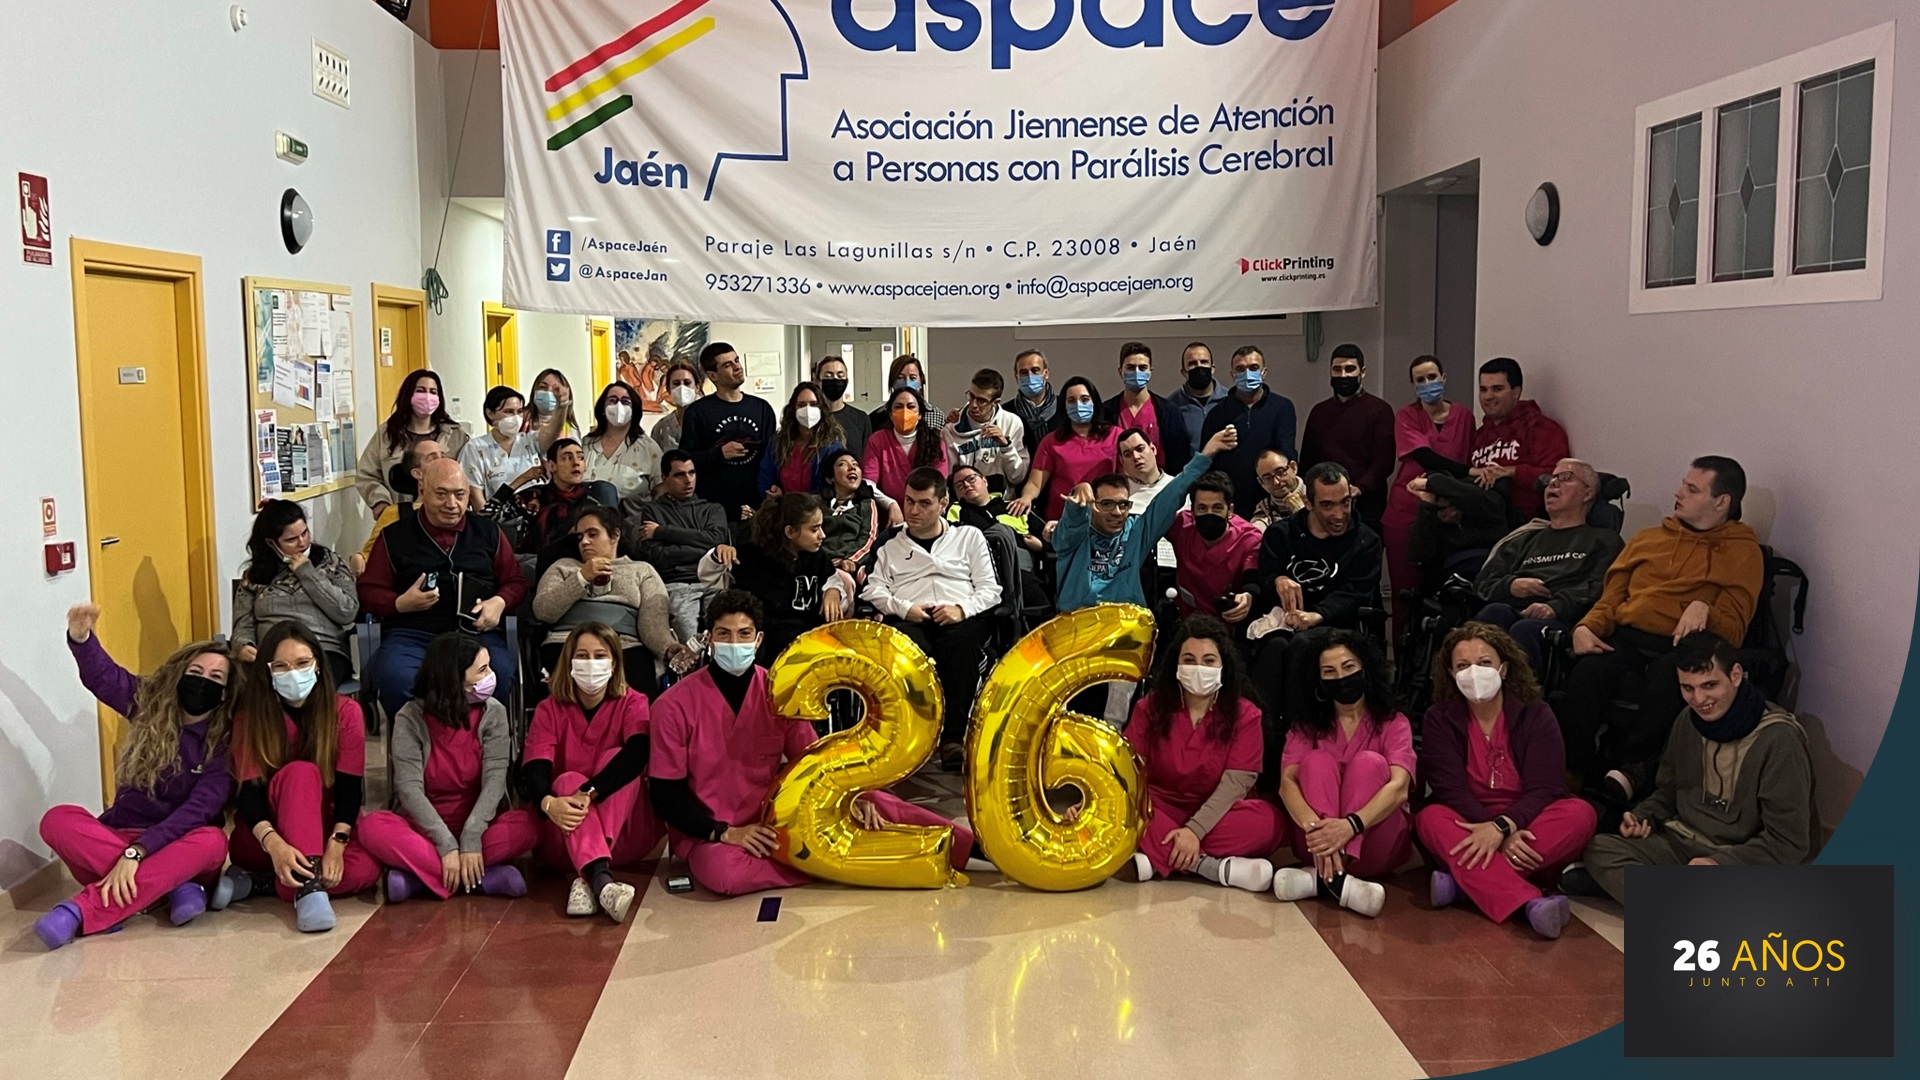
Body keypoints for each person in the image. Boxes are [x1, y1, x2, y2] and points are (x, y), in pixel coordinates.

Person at [648, 591, 974, 896]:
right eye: (724, 634)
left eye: (744, 634)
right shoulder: (672, 706)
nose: (734, 643)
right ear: (709, 639)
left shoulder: (779, 690)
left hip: (781, 819)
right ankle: (844, 864)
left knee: (874, 802)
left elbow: (812, 757)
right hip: (712, 835)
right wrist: (725, 832)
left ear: (758, 640)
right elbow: (665, 794)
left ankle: (972, 847)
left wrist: (853, 797)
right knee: (723, 874)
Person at [1561, 457, 1765, 802]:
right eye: (1683, 484)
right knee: (1589, 671)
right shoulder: (1648, 538)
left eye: (1692, 489)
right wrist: (1585, 627)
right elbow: (1611, 599)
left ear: (1722, 502)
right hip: (1629, 633)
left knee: (1670, 675)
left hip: (1684, 644)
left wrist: (1705, 610)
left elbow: (1734, 630)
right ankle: (1572, 772)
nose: (1678, 493)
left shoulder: (1742, 551)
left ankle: (1635, 769)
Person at [34, 606, 234, 949]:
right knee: (58, 819)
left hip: (181, 842)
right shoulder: (150, 704)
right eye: (195, 671)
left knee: (213, 841)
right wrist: (82, 639)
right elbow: (105, 678)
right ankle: (171, 887)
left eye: (216, 678)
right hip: (121, 834)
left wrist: (137, 854)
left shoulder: (226, 742)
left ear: (226, 693)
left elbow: (199, 810)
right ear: (180, 675)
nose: (203, 681)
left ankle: (79, 912)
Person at [1572, 632, 1815, 904]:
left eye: (1709, 685)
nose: (1699, 699)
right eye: (1688, 688)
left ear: (1736, 675)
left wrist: (1720, 862)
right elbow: (1668, 792)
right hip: (1679, 845)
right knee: (1599, 849)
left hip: (1736, 858)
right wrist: (1643, 816)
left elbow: (1788, 843)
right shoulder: (1687, 720)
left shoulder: (1780, 739)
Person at [1417, 623, 1596, 938]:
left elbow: (1546, 788)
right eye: (1463, 665)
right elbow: (1449, 791)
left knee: (1581, 814)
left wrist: (1503, 828)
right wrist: (1492, 830)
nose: (1474, 672)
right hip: (1469, 820)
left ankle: (1464, 884)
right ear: (1451, 673)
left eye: (1484, 662)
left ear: (1504, 668)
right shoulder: (1438, 718)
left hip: (1529, 819)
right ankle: (1529, 903)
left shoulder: (1537, 714)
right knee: (1430, 818)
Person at [356, 633, 539, 902]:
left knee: (530, 824)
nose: (492, 676)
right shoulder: (409, 717)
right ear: (455, 680)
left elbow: (495, 781)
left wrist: (471, 838)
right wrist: (446, 844)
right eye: (482, 670)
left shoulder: (494, 713)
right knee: (371, 827)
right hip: (424, 829)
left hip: (480, 826)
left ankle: (419, 880)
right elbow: (409, 790)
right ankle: (480, 879)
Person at [220, 622, 376, 933]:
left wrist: (336, 845)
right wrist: (276, 846)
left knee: (368, 870)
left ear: (318, 664)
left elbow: (349, 790)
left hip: (323, 828)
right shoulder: (249, 718)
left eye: (303, 662)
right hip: (264, 837)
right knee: (301, 772)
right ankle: (308, 891)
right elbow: (249, 795)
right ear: (268, 671)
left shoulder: (345, 712)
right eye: (281, 666)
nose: (293, 673)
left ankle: (262, 883)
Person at [1116, 616, 1286, 891]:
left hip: (1220, 811)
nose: (1198, 668)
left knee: (1270, 824)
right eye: (1189, 660)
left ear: (1223, 666)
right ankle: (1210, 868)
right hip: (1158, 807)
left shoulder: (1245, 714)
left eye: (1208, 661)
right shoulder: (1150, 707)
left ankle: (1158, 857)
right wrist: (1093, 799)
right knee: (1121, 808)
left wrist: (1194, 830)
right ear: (1176, 665)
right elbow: (1126, 768)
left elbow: (1235, 785)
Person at [358, 458, 525, 718]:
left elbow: (515, 582)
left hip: (475, 634)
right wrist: (399, 603)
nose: (452, 504)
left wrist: (499, 602)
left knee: (500, 672)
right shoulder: (393, 536)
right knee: (395, 678)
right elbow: (368, 591)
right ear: (422, 491)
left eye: (460, 495)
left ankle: (480, 738)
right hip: (413, 634)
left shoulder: (489, 532)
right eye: (441, 494)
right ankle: (416, 739)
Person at [519, 623, 663, 922]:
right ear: (569, 662)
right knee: (567, 781)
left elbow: (637, 755)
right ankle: (601, 881)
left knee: (613, 759)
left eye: (600, 655)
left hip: (625, 836)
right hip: (562, 831)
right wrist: (548, 803)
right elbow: (535, 766)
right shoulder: (549, 709)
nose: (591, 663)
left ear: (614, 663)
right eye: (582, 656)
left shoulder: (633, 702)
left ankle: (589, 876)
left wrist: (590, 792)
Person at [863, 468, 1002, 769]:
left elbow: (991, 590)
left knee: (962, 644)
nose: (914, 510)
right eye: (909, 501)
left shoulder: (969, 537)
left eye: (924, 503)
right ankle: (911, 739)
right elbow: (872, 590)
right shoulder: (890, 545)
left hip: (960, 616)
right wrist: (904, 608)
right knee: (905, 648)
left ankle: (953, 738)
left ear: (943, 503)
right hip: (911, 616)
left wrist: (961, 609)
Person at [1272, 631, 1414, 917]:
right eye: (1329, 671)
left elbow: (1399, 787)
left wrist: (1350, 826)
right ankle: (1339, 881)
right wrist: (1320, 832)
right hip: (1315, 843)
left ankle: (1320, 880)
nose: (1341, 677)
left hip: (1375, 841)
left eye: (1348, 667)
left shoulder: (1394, 722)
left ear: (1365, 668)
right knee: (1315, 762)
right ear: (1318, 680)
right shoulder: (1304, 727)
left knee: (1369, 763)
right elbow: (1287, 785)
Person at [1246, 462, 1384, 721]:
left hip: (1336, 624)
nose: (1340, 514)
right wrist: (1277, 580)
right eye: (1327, 505)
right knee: (1273, 648)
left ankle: (1301, 730)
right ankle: (1264, 732)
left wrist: (1316, 615)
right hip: (1284, 622)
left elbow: (1356, 593)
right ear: (1308, 503)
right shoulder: (1281, 534)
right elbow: (1263, 579)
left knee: (1304, 645)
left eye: (1345, 502)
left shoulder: (1366, 540)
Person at [1055, 427, 1237, 612]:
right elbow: (1072, 523)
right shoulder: (1074, 536)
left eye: (1123, 505)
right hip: (1078, 619)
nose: (1117, 512)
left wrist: (1206, 454)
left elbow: (1172, 494)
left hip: (1127, 620)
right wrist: (1078, 496)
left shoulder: (1135, 531)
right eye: (1107, 504)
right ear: (1093, 505)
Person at [1473, 459, 1626, 670]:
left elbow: (1599, 587)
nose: (1552, 483)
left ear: (1588, 493)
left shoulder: (1605, 540)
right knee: (1493, 613)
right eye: (1550, 479)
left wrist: (1554, 607)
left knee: (1525, 630)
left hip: (1562, 617)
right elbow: (1483, 584)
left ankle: (1519, 690)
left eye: (1565, 478)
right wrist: (1510, 585)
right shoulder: (1523, 539)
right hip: (1513, 607)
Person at [534, 505, 694, 696]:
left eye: (592, 534)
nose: (584, 542)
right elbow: (543, 611)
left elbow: (653, 623)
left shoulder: (642, 571)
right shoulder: (562, 567)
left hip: (624, 645)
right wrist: (581, 578)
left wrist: (667, 648)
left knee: (639, 684)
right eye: (580, 537)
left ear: (615, 535)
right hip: (567, 643)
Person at [700, 492, 851, 666]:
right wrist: (717, 555)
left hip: (807, 647)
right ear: (790, 532)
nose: (822, 535)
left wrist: (833, 591)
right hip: (761, 650)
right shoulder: (749, 556)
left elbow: (832, 578)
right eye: (814, 529)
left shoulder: (817, 558)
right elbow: (708, 577)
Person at [1382, 355, 1473, 632]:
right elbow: (1425, 457)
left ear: (1443, 378)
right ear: (1413, 385)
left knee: (1449, 592)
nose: (1427, 383)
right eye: (1420, 380)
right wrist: (1469, 472)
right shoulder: (1406, 416)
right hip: (1406, 514)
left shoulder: (1464, 417)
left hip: (1449, 513)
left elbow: (1469, 456)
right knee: (1406, 593)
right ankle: (1403, 654)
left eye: (1432, 377)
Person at [233, 500, 359, 685]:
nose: (302, 543)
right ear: (271, 543)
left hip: (323, 649)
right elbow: (243, 623)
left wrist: (307, 573)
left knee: (308, 683)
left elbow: (347, 612)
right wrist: (243, 644)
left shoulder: (329, 562)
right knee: (258, 685)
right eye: (291, 539)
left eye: (305, 533)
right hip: (272, 653)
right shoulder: (254, 576)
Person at [636, 451, 731, 644]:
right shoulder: (653, 510)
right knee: (687, 636)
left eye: (691, 473)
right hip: (678, 583)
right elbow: (658, 556)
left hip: (714, 581)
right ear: (664, 478)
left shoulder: (712, 509)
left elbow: (717, 538)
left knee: (724, 630)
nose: (688, 480)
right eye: (679, 475)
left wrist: (663, 531)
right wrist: (705, 549)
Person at [1300, 343, 1396, 531]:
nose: (1343, 375)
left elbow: (1383, 463)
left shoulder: (1380, 410)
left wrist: (1359, 488)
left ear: (1363, 372)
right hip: (1324, 504)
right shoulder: (1319, 412)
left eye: (1350, 369)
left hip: (1366, 505)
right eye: (1337, 369)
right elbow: (1308, 461)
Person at [680, 342, 778, 520]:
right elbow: (686, 459)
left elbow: (772, 456)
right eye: (727, 365)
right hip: (715, 508)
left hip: (758, 506)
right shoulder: (697, 412)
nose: (737, 367)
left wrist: (774, 488)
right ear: (713, 375)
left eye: (736, 360)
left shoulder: (762, 409)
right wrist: (718, 453)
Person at [1468, 357, 1570, 525]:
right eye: (1483, 390)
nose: (1488, 396)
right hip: (1477, 515)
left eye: (1497, 389)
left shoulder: (1541, 428)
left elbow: (1557, 478)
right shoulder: (1478, 436)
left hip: (1520, 521)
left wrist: (1511, 472)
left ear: (1516, 392)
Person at [1199, 346, 1298, 517]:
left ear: (1263, 372)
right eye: (1240, 369)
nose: (1247, 374)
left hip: (1273, 502)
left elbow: (1286, 453)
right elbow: (1208, 463)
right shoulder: (1217, 413)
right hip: (1231, 504)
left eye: (1253, 368)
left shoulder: (1282, 408)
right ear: (1232, 374)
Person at [355, 370, 469, 518]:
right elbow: (366, 474)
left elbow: (469, 476)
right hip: (400, 516)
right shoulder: (387, 433)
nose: (427, 397)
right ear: (408, 394)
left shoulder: (455, 435)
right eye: (421, 390)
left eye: (433, 392)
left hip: (445, 515)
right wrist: (381, 504)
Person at [1013, 376, 1119, 523]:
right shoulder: (1051, 441)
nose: (1078, 405)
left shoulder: (1116, 436)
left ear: (1094, 402)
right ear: (1064, 406)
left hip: (1105, 518)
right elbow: (1035, 483)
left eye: (1085, 399)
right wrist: (1026, 498)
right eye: (1071, 401)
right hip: (1061, 520)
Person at [1166, 473, 1261, 625]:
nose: (1209, 514)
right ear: (1192, 511)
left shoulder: (1249, 539)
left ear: (1230, 510)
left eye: (1217, 508)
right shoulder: (1181, 525)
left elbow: (1253, 576)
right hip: (1185, 619)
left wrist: (1249, 596)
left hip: (1228, 623)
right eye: (1202, 508)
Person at [1099, 342, 1193, 472]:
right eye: (1130, 368)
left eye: (1142, 368)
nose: (1136, 372)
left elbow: (1179, 456)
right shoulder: (1105, 412)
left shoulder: (1169, 411)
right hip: (1120, 483)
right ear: (1121, 372)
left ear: (1150, 372)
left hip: (1161, 482)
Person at [359, 438, 445, 565]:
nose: (442, 462)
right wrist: (359, 560)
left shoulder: (458, 512)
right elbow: (369, 557)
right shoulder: (394, 514)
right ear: (417, 473)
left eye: (443, 456)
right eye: (432, 458)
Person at [457, 386, 545, 508]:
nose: (516, 417)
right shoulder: (475, 448)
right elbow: (476, 498)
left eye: (519, 411)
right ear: (490, 413)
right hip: (496, 516)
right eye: (509, 412)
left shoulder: (528, 441)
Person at [942, 368, 1028, 492]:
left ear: (995, 402)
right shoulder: (951, 427)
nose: (973, 405)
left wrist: (1006, 446)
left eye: (981, 401)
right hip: (964, 499)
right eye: (971, 396)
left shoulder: (1011, 423)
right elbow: (949, 480)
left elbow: (1017, 477)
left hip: (1001, 500)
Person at [760, 381, 845, 497]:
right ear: (793, 409)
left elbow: (834, 486)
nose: (807, 410)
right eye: (801, 405)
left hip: (818, 507)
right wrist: (773, 493)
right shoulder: (779, 442)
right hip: (784, 505)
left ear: (822, 408)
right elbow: (765, 476)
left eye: (813, 404)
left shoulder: (832, 446)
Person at [861, 386, 946, 503]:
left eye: (911, 407)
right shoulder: (877, 440)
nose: (905, 412)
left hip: (926, 508)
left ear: (920, 414)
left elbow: (939, 484)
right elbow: (868, 483)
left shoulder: (935, 442)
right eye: (898, 407)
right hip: (888, 512)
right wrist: (889, 504)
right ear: (890, 414)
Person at [583, 380, 662, 504]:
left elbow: (661, 491)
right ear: (602, 407)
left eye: (625, 401)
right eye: (612, 400)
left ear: (634, 409)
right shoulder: (587, 444)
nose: (619, 406)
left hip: (634, 516)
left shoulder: (649, 448)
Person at [821, 449, 891, 579]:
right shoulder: (818, 504)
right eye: (842, 464)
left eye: (855, 464)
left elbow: (869, 538)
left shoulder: (867, 505)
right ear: (830, 478)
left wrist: (851, 559)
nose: (852, 468)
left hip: (852, 564)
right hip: (821, 562)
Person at [1169, 341, 1229, 450]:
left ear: (1212, 368)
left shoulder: (1230, 400)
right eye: (1192, 363)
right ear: (1183, 372)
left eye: (1204, 362)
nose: (1199, 367)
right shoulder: (1171, 406)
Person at [866, 354, 944, 434]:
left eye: (912, 378)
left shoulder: (935, 414)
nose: (907, 383)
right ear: (892, 382)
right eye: (900, 378)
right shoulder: (876, 418)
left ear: (921, 381)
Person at [813, 354, 871, 460]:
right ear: (817, 381)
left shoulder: (861, 418)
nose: (835, 380)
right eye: (828, 376)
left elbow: (867, 458)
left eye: (840, 376)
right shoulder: (812, 418)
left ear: (847, 381)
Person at [1005, 348, 1056, 457]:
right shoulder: (1006, 413)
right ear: (1016, 377)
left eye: (1035, 370)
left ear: (1046, 373)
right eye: (1023, 372)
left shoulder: (1065, 408)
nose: (1030, 376)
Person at [649, 360, 704, 455]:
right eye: (676, 383)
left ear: (697, 388)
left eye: (687, 383)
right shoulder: (661, 427)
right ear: (669, 389)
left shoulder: (709, 421)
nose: (682, 388)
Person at [1248, 449, 1308, 529]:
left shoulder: (1316, 495)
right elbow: (1255, 531)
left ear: (1293, 467)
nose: (1276, 482)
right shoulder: (1265, 508)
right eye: (1268, 478)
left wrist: (1301, 510)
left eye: (1280, 472)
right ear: (1261, 482)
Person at [525, 367, 581, 447]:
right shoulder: (521, 420)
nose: (548, 392)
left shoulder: (570, 430)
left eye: (556, 389)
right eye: (543, 387)